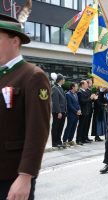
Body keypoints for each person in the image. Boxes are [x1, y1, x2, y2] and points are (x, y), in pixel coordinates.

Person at [0, 14, 50, 200]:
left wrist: (25, 176)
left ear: (14, 41)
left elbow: (38, 131)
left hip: (11, 177)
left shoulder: (33, 76)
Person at [76, 80, 97, 145]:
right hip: (83, 111)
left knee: (85, 126)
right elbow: (82, 101)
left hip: (87, 111)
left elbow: (89, 101)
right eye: (85, 84)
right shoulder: (80, 92)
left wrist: (93, 98)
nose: (87, 85)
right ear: (82, 85)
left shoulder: (87, 91)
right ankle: (78, 139)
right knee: (81, 126)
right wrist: (90, 98)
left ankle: (84, 138)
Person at [51, 73, 67, 148]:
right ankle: (54, 142)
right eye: (63, 79)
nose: (64, 80)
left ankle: (58, 141)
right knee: (56, 127)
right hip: (58, 112)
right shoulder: (55, 88)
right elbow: (55, 101)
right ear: (60, 80)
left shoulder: (60, 87)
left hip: (62, 111)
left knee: (60, 127)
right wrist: (58, 112)